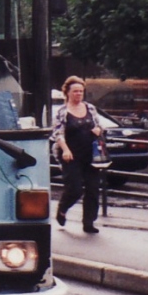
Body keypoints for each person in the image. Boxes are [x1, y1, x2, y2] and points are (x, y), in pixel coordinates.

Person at [51, 75, 104, 234]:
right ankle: (62, 209)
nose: (78, 94)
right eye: (75, 91)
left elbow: (99, 125)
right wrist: (65, 149)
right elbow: (58, 133)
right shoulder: (62, 112)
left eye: (81, 91)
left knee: (93, 188)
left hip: (91, 154)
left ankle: (89, 222)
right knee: (75, 189)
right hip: (71, 155)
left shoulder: (90, 108)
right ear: (67, 92)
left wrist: (98, 130)